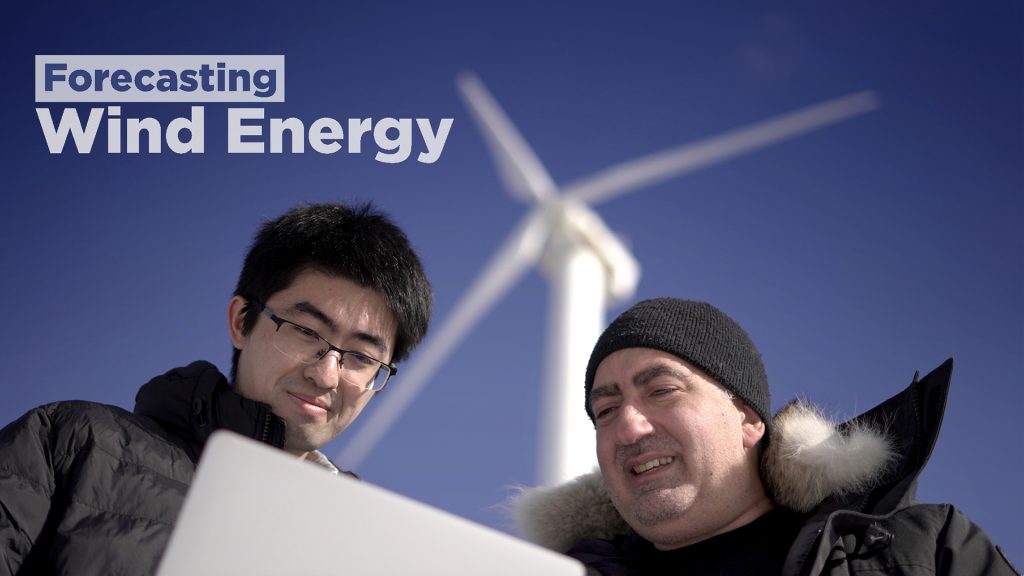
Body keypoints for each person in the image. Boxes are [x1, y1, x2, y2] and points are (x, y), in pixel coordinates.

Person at [0, 202, 432, 576]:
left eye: (361, 357)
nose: (326, 375)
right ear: (242, 321)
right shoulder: (72, 444)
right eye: (306, 331)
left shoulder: (376, 546)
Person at [515, 298, 1018, 575]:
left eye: (663, 390)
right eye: (605, 410)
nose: (628, 426)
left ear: (748, 419)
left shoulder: (923, 550)